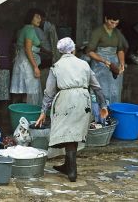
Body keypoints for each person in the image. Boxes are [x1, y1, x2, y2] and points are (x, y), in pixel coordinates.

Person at [35, 37, 108, 182]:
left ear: (60, 51)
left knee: (68, 131)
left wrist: (43, 111)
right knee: (73, 132)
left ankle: (72, 170)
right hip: (83, 98)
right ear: (73, 49)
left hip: (65, 99)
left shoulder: (56, 66)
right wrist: (103, 105)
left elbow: (49, 92)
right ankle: (68, 166)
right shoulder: (84, 64)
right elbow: (96, 87)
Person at [86, 10, 126, 104]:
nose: (114, 25)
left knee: (114, 90)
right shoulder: (97, 32)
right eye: (112, 22)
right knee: (101, 89)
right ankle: (99, 114)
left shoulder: (117, 33)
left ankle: (113, 112)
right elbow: (89, 51)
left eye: (116, 23)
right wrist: (104, 61)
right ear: (106, 19)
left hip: (114, 63)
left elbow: (120, 49)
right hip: (99, 63)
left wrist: (122, 63)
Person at [10, 8, 44, 105]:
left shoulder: (23, 29)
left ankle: (19, 113)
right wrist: (35, 67)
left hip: (21, 62)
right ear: (30, 18)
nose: (40, 19)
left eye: (40, 17)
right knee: (30, 90)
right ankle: (28, 114)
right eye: (37, 16)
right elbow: (28, 49)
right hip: (27, 64)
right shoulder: (29, 29)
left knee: (22, 90)